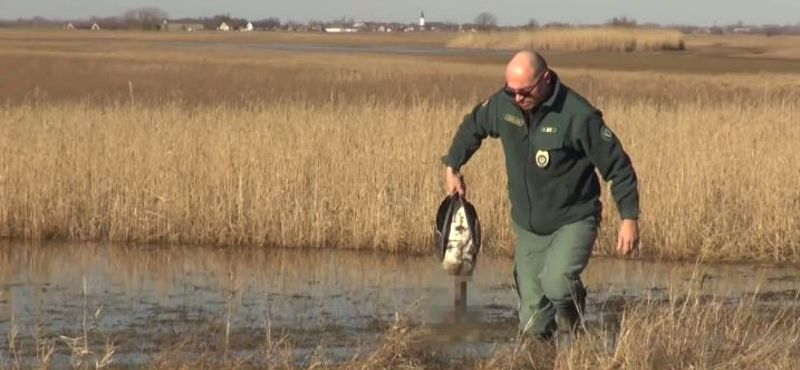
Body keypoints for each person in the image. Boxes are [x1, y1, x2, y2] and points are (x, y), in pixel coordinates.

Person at [441, 51, 640, 346]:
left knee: (558, 284)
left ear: (545, 79)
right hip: (529, 225)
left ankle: (574, 332)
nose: (518, 98)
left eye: (525, 92)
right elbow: (473, 126)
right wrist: (452, 166)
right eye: (512, 91)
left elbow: (618, 166)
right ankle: (543, 356)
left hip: (574, 218)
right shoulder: (503, 105)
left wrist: (629, 217)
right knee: (533, 323)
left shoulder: (577, 115)